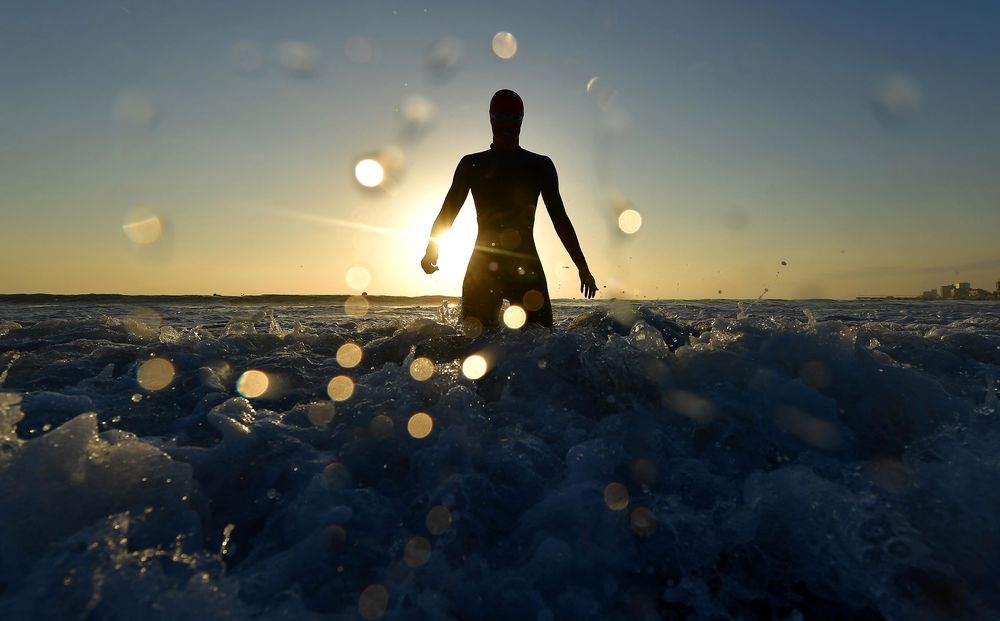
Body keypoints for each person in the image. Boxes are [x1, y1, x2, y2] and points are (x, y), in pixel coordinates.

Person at [421, 89, 597, 329]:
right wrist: (432, 248)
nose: (506, 125)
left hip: (526, 269)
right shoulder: (472, 164)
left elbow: (560, 218)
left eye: (513, 119)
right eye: (500, 118)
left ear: (521, 121)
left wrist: (582, 266)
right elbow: (448, 212)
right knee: (473, 348)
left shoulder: (538, 166)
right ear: (491, 119)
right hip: (482, 269)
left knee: (543, 346)